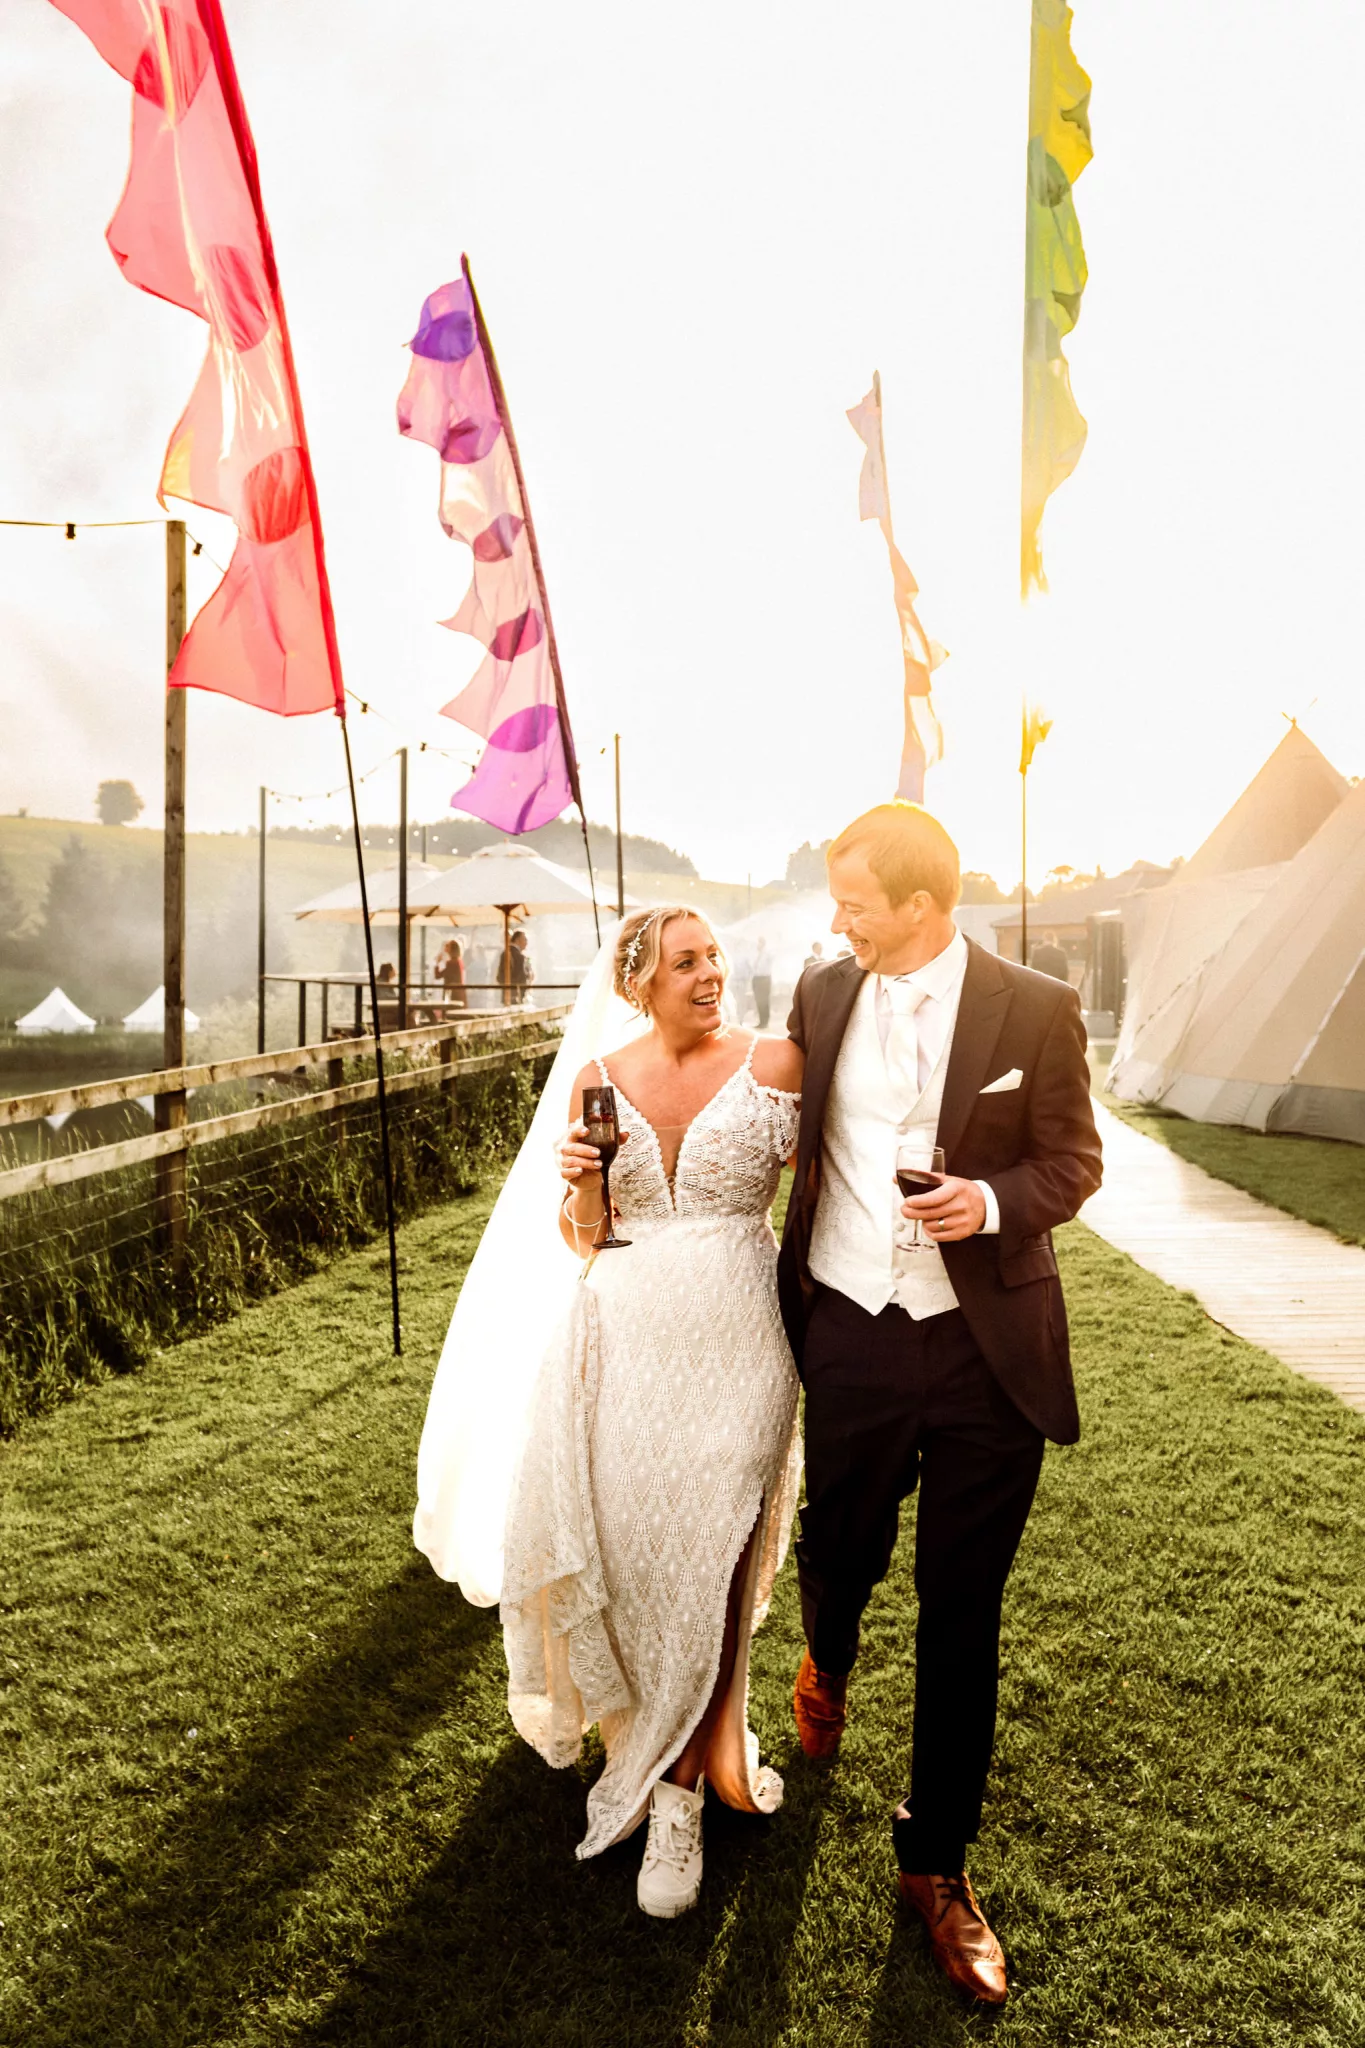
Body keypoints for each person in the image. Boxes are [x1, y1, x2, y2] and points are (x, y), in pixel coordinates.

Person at [414, 907, 804, 1919]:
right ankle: (664, 1728)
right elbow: (587, 1238)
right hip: (625, 1338)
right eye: (687, 962)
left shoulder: (778, 1062)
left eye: (715, 953)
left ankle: (679, 1797)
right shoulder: (598, 1081)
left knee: (718, 1542)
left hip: (742, 1333)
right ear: (641, 985)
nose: (710, 972)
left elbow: (823, 1199)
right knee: (637, 1549)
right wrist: (582, 1190)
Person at [777, 802, 1102, 2006]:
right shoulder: (820, 994)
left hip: (985, 1349)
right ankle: (826, 1653)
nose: (840, 919)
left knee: (964, 1606)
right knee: (843, 1551)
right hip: (852, 1330)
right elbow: (762, 1115)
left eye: (858, 901)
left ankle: (938, 1864)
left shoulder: (1039, 1005)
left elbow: (1073, 1158)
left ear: (925, 905)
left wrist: (996, 1203)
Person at [434, 936, 467, 1007]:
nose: (445, 947)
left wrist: (437, 963)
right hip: (458, 993)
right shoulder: (459, 961)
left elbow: (438, 976)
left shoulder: (451, 963)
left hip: (452, 994)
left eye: (447, 946)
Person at [750, 935, 772, 1029]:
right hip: (756, 978)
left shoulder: (767, 954)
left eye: (760, 942)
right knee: (758, 1000)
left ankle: (765, 1021)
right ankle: (761, 1021)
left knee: (764, 1000)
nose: (758, 945)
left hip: (764, 978)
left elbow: (768, 966)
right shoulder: (755, 954)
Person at [508, 928, 534, 1005]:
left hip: (511, 994)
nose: (526, 943)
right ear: (517, 940)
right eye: (525, 939)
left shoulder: (508, 953)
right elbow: (521, 977)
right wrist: (528, 976)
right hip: (516, 995)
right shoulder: (517, 956)